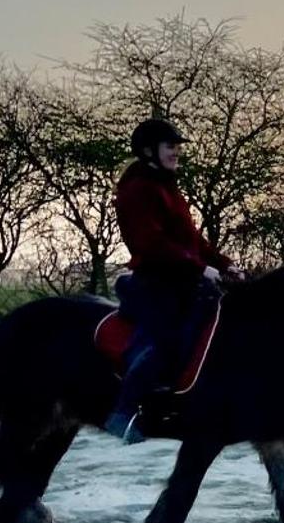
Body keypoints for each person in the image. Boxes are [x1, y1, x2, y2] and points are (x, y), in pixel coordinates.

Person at [102, 119, 239, 443]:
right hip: (156, 281)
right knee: (164, 339)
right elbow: (152, 243)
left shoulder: (167, 186)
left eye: (178, 146)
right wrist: (199, 268)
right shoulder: (138, 190)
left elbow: (192, 240)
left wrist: (226, 264)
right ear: (149, 151)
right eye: (170, 146)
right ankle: (123, 411)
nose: (177, 152)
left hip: (183, 279)